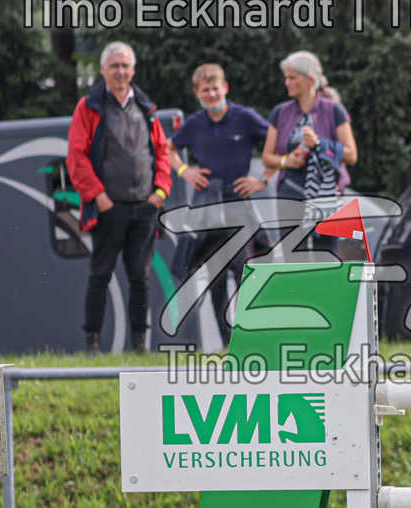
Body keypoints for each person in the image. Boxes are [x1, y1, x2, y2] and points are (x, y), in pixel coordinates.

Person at [65, 41, 172, 352]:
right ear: (102, 70)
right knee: (100, 274)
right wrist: (98, 196)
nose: (120, 71)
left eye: (125, 66)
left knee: (141, 277)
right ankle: (92, 344)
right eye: (114, 66)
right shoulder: (88, 106)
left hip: (145, 207)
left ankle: (139, 345)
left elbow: (162, 152)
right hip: (107, 207)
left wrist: (160, 191)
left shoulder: (146, 108)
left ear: (133, 70)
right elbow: (76, 157)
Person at [170, 63, 270, 342]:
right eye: (205, 90)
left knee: (245, 270)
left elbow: (276, 141)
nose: (211, 94)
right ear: (197, 93)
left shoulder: (245, 117)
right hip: (209, 207)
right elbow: (167, 148)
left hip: (239, 203)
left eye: (215, 88)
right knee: (215, 277)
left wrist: (263, 179)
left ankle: (250, 336)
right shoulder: (194, 123)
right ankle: (227, 342)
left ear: (225, 88)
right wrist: (184, 171)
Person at [265, 50, 356, 257]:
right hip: (289, 195)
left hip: (327, 197)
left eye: (292, 78)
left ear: (310, 80)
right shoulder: (280, 112)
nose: (287, 83)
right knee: (293, 262)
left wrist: (319, 144)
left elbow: (351, 155)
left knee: (328, 261)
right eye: (286, 78)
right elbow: (267, 157)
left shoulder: (334, 110)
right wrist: (287, 161)